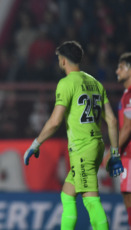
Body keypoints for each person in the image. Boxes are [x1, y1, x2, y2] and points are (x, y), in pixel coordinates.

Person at [23, 41, 123, 230]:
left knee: (91, 201)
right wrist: (115, 153)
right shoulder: (95, 83)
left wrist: (36, 143)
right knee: (68, 194)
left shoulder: (67, 83)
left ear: (62, 61)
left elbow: (54, 121)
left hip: (82, 148)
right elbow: (112, 121)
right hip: (97, 145)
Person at [116, 52, 131, 228]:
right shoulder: (126, 94)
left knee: (128, 196)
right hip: (126, 154)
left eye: (121, 67)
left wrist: (113, 152)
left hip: (130, 154)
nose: (117, 71)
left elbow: (127, 127)